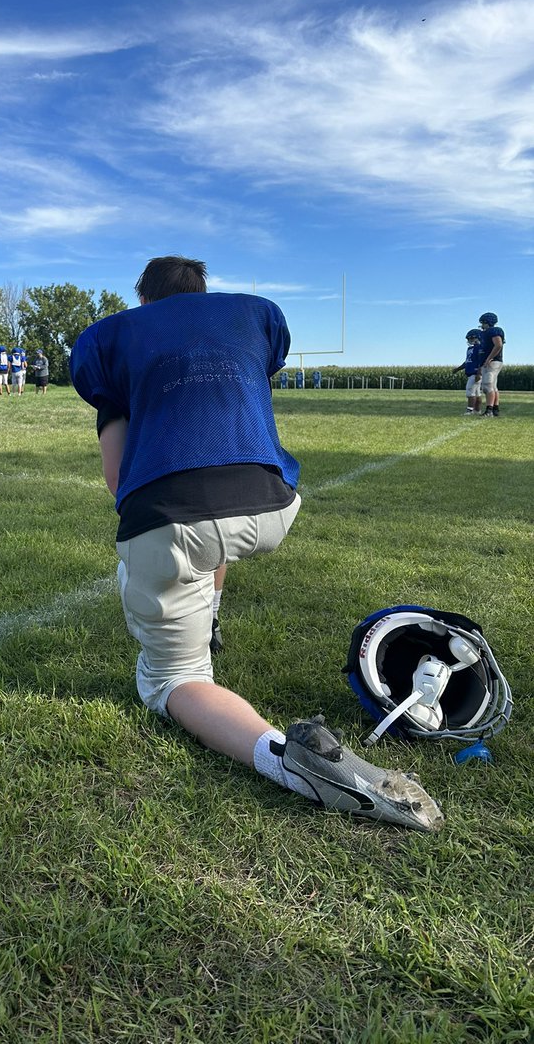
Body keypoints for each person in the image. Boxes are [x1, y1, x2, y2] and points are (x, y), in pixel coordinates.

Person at [69, 255, 443, 832]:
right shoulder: (254, 318)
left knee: (174, 679)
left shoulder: (113, 340)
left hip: (176, 517)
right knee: (207, 539)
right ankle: (209, 615)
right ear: (202, 291)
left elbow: (120, 483)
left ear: (144, 298)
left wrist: (150, 543)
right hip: (270, 503)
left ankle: (291, 764)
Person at [478, 312, 505, 418]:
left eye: (483, 322)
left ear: (487, 322)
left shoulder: (493, 331)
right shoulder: (486, 333)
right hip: (490, 361)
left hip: (493, 361)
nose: (482, 325)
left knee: (487, 385)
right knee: (493, 386)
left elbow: (498, 345)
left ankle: (489, 410)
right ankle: (495, 409)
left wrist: (489, 358)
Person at [451, 329, 483, 415]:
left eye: (471, 338)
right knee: (477, 393)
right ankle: (477, 410)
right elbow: (467, 362)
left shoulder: (479, 348)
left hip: (475, 373)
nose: (469, 340)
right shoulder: (470, 349)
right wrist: (458, 369)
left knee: (470, 392)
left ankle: (470, 410)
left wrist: (479, 373)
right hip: (471, 373)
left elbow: (481, 361)